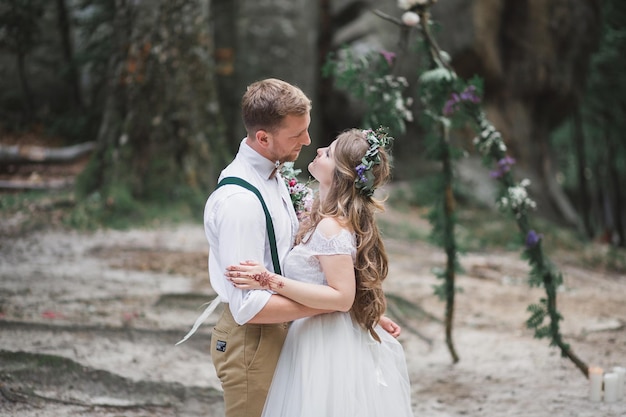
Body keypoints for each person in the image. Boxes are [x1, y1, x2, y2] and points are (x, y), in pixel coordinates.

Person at [181, 79, 401, 417]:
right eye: (297, 134)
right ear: (264, 138)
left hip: (295, 333)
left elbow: (323, 271)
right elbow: (248, 308)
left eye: (308, 130)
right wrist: (337, 308)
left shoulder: (279, 179)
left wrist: (357, 313)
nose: (309, 142)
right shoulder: (241, 202)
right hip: (254, 341)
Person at [225, 128, 415, 417]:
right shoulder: (322, 218)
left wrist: (269, 280)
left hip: (324, 344)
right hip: (312, 333)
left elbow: (341, 297)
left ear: (340, 174)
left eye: (328, 152)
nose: (318, 149)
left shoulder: (331, 228)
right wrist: (368, 313)